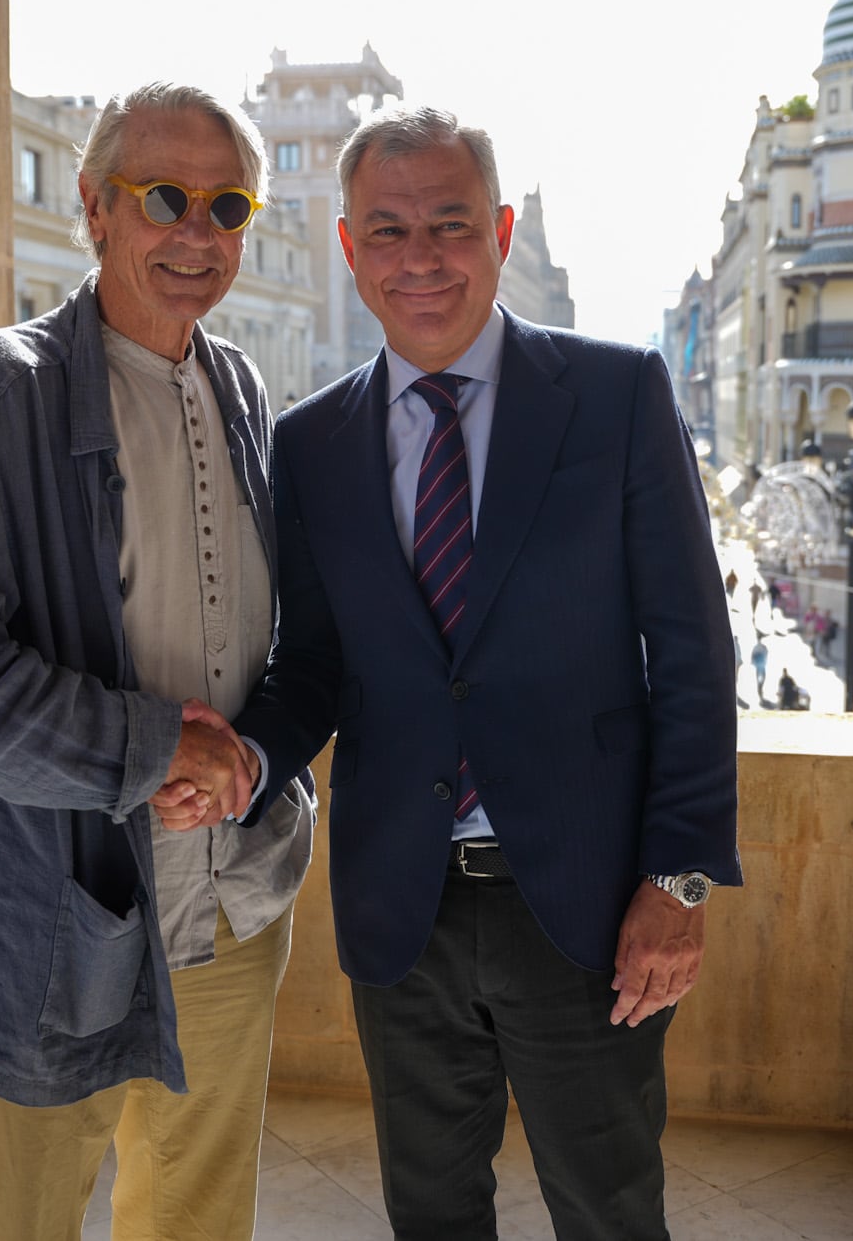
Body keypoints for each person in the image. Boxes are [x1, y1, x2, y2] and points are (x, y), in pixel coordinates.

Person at [227, 105, 741, 1240]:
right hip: (398, 910)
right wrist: (247, 757)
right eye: (389, 230)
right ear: (349, 252)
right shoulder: (309, 445)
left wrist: (682, 882)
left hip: (588, 906)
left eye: (450, 224)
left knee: (607, 1209)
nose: (421, 258)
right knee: (430, 1211)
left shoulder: (614, 399)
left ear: (500, 232)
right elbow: (310, 663)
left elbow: (694, 654)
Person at [0, 82, 313, 1241]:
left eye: (227, 203)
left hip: (229, 907)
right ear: (96, 212)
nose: (195, 232)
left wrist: (250, 761)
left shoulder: (241, 386)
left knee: (198, 1218)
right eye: (163, 196)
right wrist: (151, 749)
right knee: (21, 1216)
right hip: (51, 919)